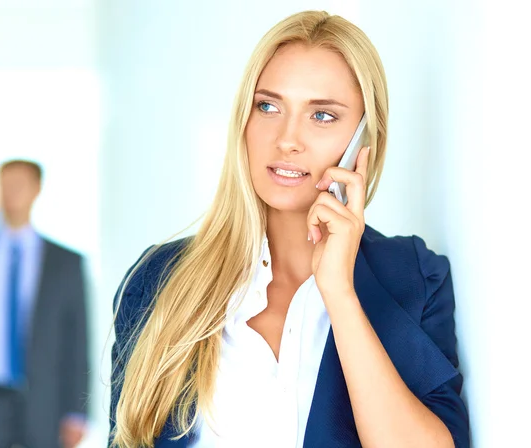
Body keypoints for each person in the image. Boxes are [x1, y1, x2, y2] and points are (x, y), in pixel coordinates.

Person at [109, 11, 469, 448]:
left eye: (322, 116)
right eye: (268, 106)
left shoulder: (414, 277)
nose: (287, 139)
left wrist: (339, 294)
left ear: (363, 140)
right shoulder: (159, 279)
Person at [0, 160, 89, 448]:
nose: (11, 193)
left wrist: (77, 412)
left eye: (19, 185)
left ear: (37, 190)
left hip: (45, 403)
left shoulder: (65, 263)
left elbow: (76, 340)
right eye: (5, 185)